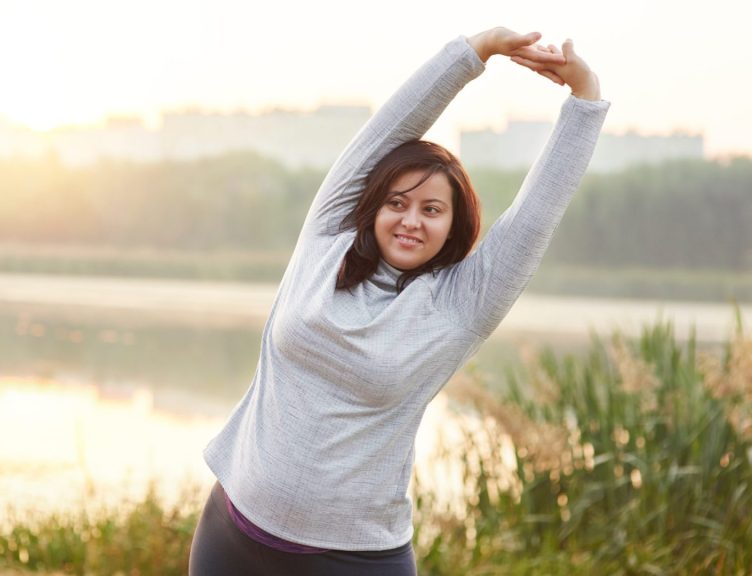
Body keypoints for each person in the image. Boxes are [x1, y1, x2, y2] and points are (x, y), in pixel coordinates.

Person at [189, 26, 609, 576]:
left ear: (454, 226)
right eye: (398, 202)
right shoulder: (326, 240)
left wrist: (586, 97)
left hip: (351, 559)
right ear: (374, 206)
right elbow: (385, 131)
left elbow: (536, 214)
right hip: (232, 534)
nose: (411, 220)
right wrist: (473, 53)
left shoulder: (461, 305)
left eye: (432, 210)